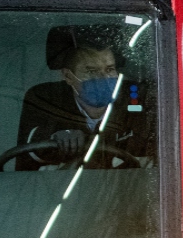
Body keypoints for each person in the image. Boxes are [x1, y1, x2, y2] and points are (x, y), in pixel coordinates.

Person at [17, 37, 149, 171]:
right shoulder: (46, 98)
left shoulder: (133, 96)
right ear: (68, 76)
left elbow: (151, 149)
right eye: (91, 71)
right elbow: (29, 151)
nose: (103, 78)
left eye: (109, 69)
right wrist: (56, 139)